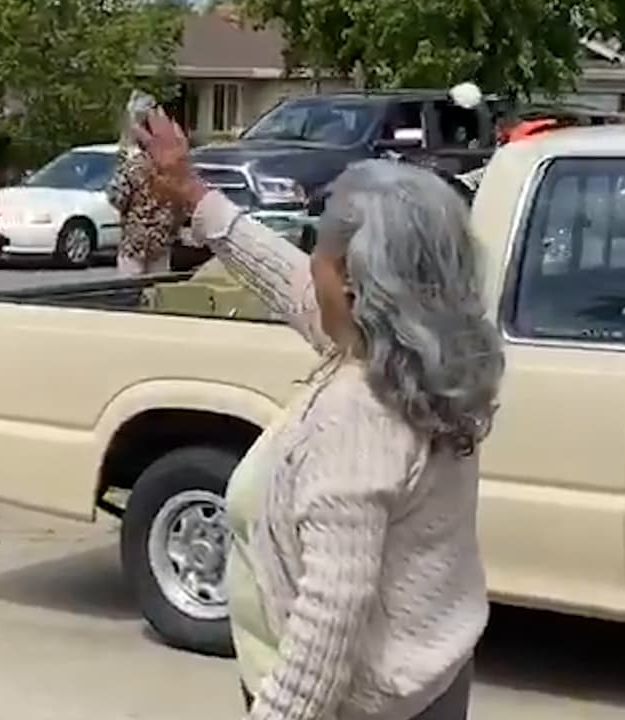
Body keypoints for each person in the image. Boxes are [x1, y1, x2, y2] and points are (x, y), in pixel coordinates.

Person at [134, 108, 505, 720]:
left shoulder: (357, 417)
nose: (308, 265)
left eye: (321, 253)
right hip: (430, 684)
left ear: (357, 285)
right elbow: (292, 285)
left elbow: (327, 625)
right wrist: (192, 192)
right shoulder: (420, 358)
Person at [106, 95, 182, 276]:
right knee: (156, 293)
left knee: (130, 294)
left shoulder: (134, 163)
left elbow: (118, 197)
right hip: (161, 241)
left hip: (136, 241)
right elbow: (180, 204)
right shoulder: (170, 163)